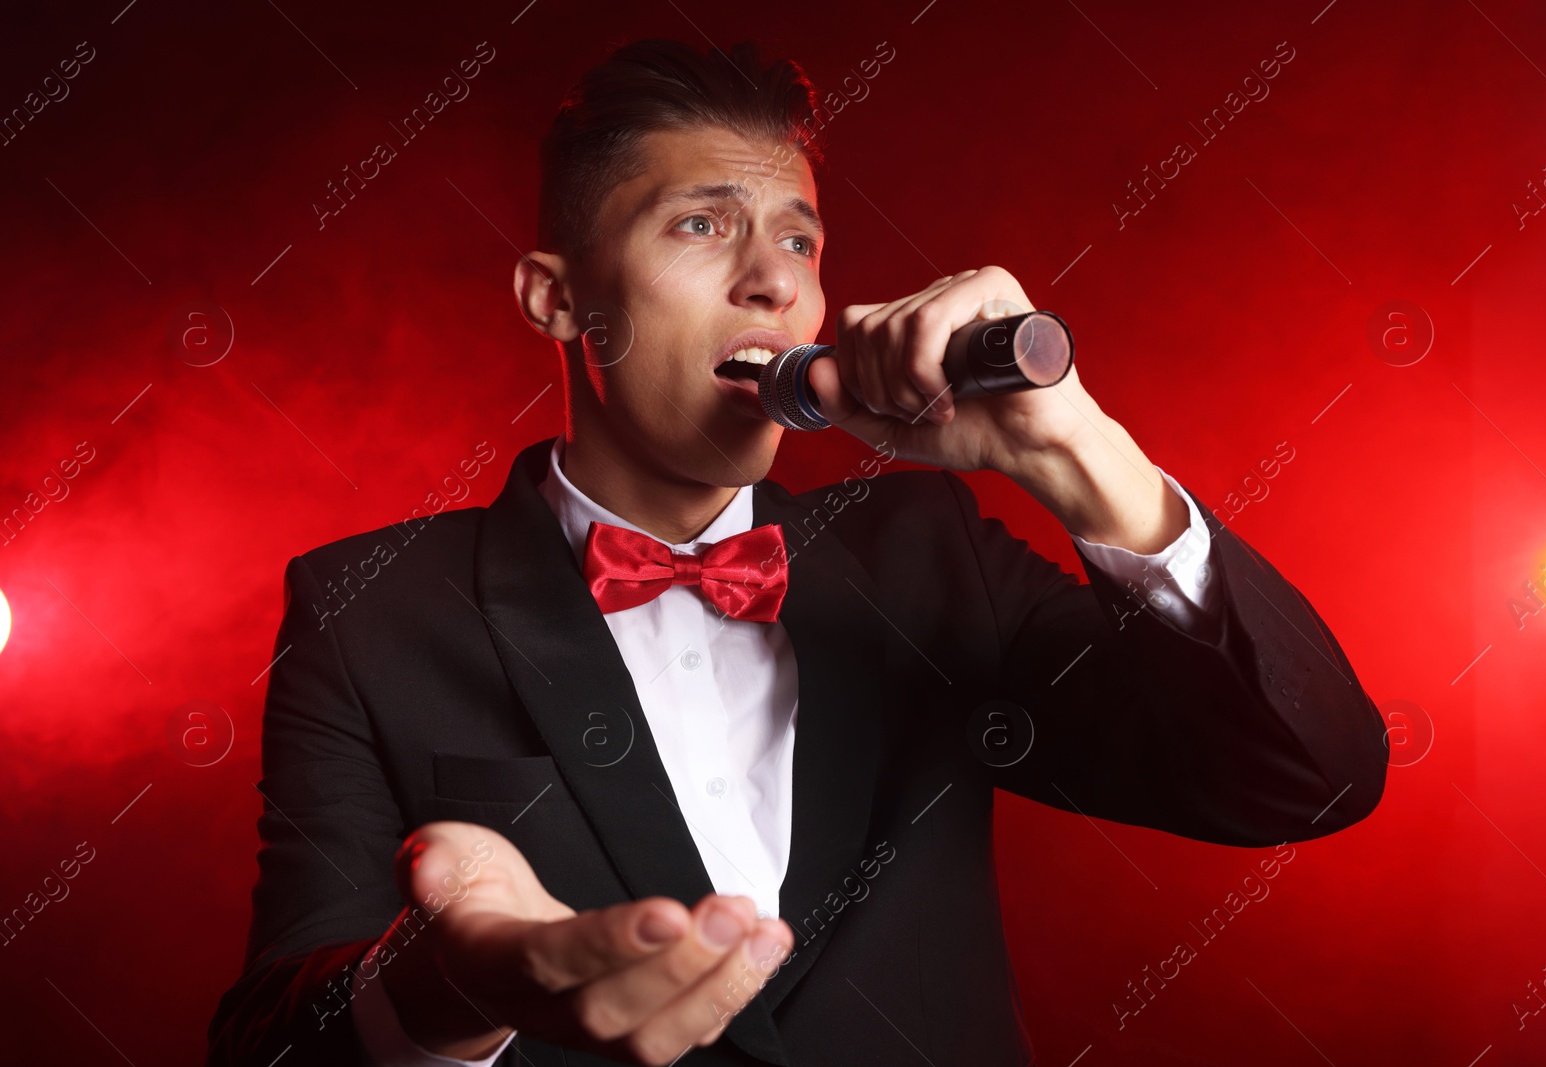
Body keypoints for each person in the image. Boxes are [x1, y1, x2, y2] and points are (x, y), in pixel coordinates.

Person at [207, 37, 1387, 1067]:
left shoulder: (927, 555)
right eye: (700, 225)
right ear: (558, 300)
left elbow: (1305, 777)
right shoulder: (368, 608)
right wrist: (448, 983)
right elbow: (270, 1043)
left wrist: (1074, 449)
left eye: (798, 239)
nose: (772, 279)